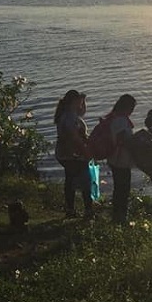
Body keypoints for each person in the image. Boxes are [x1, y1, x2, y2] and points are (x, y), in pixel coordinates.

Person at [54, 89, 92, 219]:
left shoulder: (68, 113)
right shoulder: (70, 117)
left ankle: (70, 210)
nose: (81, 105)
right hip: (73, 154)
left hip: (65, 153)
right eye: (80, 101)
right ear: (74, 101)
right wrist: (86, 152)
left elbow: (82, 112)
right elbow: (74, 137)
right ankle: (88, 211)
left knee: (70, 181)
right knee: (85, 182)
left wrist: (84, 100)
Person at [106, 94, 137, 224]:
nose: (132, 111)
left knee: (119, 188)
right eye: (132, 108)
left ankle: (117, 215)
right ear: (127, 107)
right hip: (120, 160)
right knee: (123, 189)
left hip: (115, 159)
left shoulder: (114, 118)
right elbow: (123, 140)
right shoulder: (120, 121)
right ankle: (121, 218)